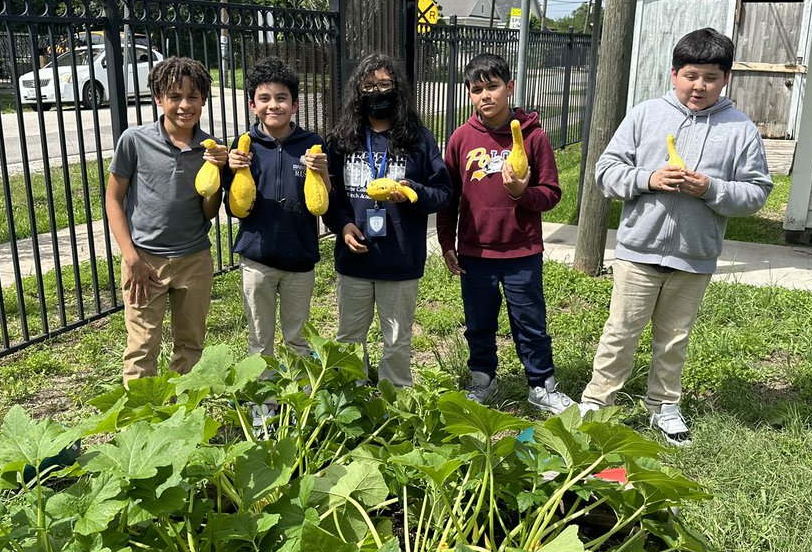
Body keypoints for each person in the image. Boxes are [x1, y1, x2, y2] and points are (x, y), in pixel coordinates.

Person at [578, 27, 773, 446]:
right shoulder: (645, 115)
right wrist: (648, 178)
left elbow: (758, 192)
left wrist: (712, 189)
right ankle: (597, 401)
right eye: (691, 75)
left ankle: (663, 406)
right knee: (620, 332)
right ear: (673, 73)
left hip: (693, 255)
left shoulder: (740, 130)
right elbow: (606, 171)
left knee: (674, 339)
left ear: (725, 79)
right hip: (638, 251)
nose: (699, 86)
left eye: (711, 77)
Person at [436, 52, 575, 415]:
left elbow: (551, 194)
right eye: (476, 89)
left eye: (493, 87)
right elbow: (449, 196)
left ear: (509, 88)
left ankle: (541, 384)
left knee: (530, 321)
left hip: (521, 252)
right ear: (469, 94)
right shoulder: (461, 138)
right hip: (475, 252)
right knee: (478, 322)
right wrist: (446, 241)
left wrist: (521, 194)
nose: (485, 96)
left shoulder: (533, 138)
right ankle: (482, 378)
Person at [325, 54, 452, 387]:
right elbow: (329, 196)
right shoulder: (342, 140)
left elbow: (443, 192)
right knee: (349, 337)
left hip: (401, 260)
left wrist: (414, 192)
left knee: (397, 341)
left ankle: (396, 402)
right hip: (354, 259)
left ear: (398, 89)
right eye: (368, 86)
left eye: (384, 84)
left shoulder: (419, 140)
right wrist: (341, 225)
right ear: (357, 92)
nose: (377, 93)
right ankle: (351, 398)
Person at [105, 56, 229, 383]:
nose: (184, 105)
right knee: (142, 346)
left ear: (204, 99)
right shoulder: (134, 141)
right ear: (159, 99)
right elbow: (113, 199)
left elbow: (208, 211)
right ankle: (142, 425)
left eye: (193, 96)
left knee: (190, 345)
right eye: (174, 96)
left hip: (194, 259)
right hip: (145, 261)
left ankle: (183, 418)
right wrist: (130, 258)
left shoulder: (210, 148)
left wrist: (218, 170)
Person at [228, 55, 329, 359]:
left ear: (295, 104)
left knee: (298, 337)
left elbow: (323, 202)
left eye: (282, 98)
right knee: (260, 339)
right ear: (252, 104)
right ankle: (265, 401)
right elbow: (235, 206)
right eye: (265, 98)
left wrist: (323, 171)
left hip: (300, 256)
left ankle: (297, 396)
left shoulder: (311, 143)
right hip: (257, 259)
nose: (273, 105)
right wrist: (232, 169)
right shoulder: (244, 145)